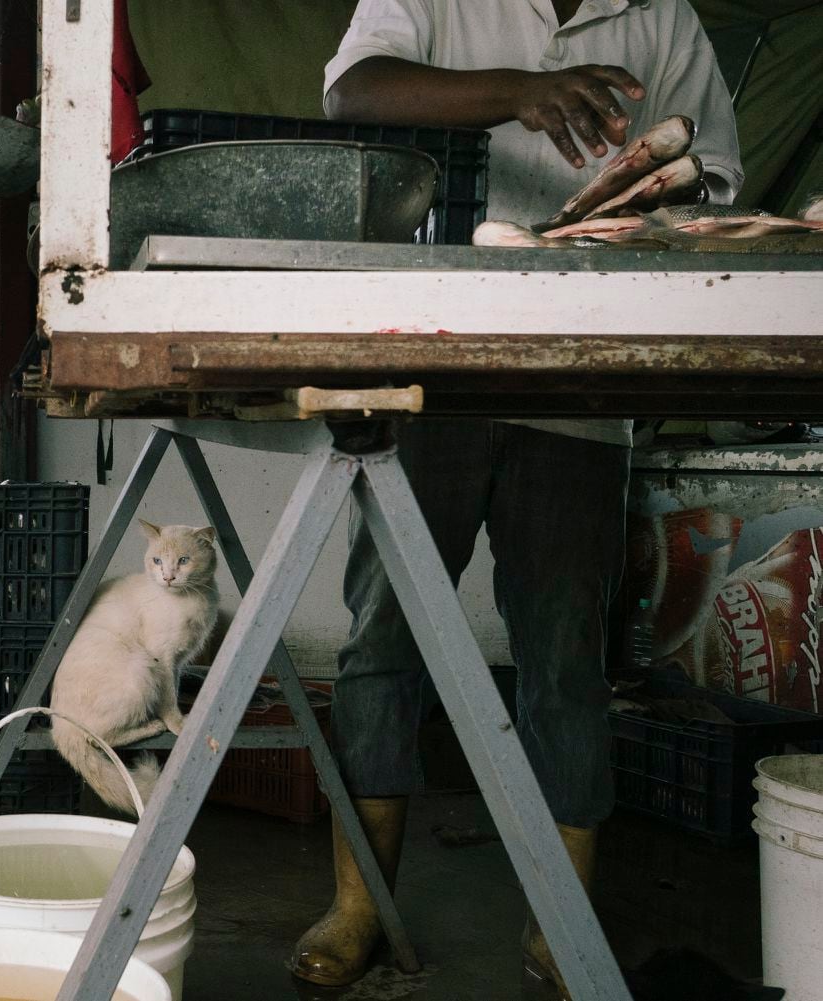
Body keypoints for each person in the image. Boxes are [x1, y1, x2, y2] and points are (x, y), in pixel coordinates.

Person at [289, 2, 743, 997]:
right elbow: (353, 88)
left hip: (582, 380)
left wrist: (653, 194)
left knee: (568, 658)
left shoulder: (662, 15)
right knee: (384, 641)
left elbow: (716, 176)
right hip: (430, 358)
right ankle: (363, 901)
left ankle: (559, 918)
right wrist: (518, 95)